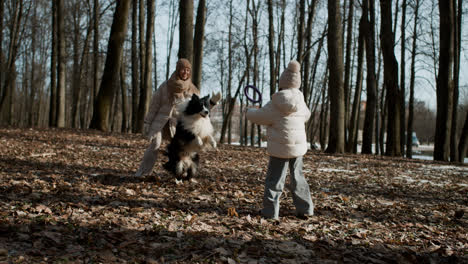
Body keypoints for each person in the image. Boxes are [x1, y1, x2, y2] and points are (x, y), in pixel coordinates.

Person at [245, 60, 314, 220]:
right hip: (297, 148)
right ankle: (305, 209)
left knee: (274, 180)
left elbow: (259, 116)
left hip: (279, 148)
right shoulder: (301, 101)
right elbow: (307, 115)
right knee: (298, 178)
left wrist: (248, 111)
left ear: (282, 83)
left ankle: (270, 212)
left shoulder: (276, 101)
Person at [135, 58, 221, 177]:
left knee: (178, 149)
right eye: (182, 69)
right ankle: (143, 172)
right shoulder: (165, 86)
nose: (185, 72)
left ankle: (177, 170)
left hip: (178, 125)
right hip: (161, 121)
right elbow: (154, 105)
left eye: (187, 70)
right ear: (177, 70)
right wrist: (147, 122)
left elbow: (201, 109)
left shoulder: (193, 89)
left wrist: (213, 102)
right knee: (155, 145)